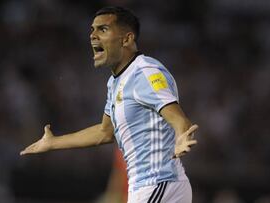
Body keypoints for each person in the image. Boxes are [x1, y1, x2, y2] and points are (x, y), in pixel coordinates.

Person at [20, 6, 198, 203]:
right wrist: (53, 142)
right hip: (149, 187)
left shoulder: (145, 72)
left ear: (127, 39)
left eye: (102, 29)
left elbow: (179, 119)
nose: (93, 36)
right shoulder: (116, 82)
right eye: (92, 30)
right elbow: (105, 132)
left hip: (159, 183)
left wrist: (181, 136)